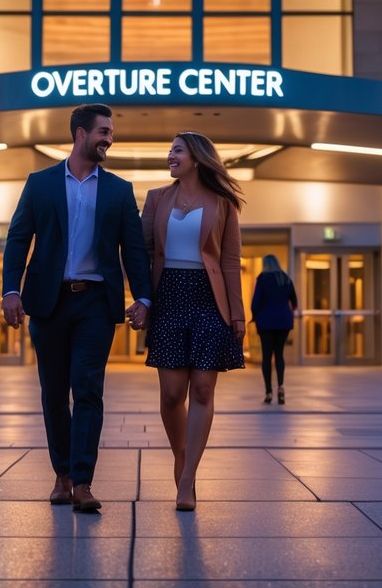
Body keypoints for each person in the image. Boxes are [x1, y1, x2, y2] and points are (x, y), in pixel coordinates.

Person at [1, 103, 151, 513]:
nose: (109, 139)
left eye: (111, 133)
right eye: (103, 131)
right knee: (53, 392)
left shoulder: (119, 190)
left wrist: (143, 297)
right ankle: (62, 474)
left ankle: (83, 481)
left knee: (87, 388)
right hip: (48, 303)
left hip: (96, 304)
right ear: (80, 134)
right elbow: (18, 240)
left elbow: (134, 250)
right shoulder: (41, 183)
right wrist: (10, 290)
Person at [138, 131, 245, 512]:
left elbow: (230, 262)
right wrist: (141, 300)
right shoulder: (157, 199)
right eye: (169, 150)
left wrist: (237, 314)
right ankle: (181, 455)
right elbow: (144, 253)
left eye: (177, 150)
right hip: (169, 297)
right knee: (170, 396)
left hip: (208, 299)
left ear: (197, 158)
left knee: (202, 390)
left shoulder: (224, 203)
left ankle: (187, 479)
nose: (170, 156)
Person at [251, 254, 297, 405]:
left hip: (266, 323)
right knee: (279, 355)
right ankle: (281, 388)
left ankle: (268, 392)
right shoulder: (285, 278)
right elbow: (294, 302)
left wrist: (254, 316)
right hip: (284, 321)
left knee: (266, 356)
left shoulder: (263, 279)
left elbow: (255, 303)